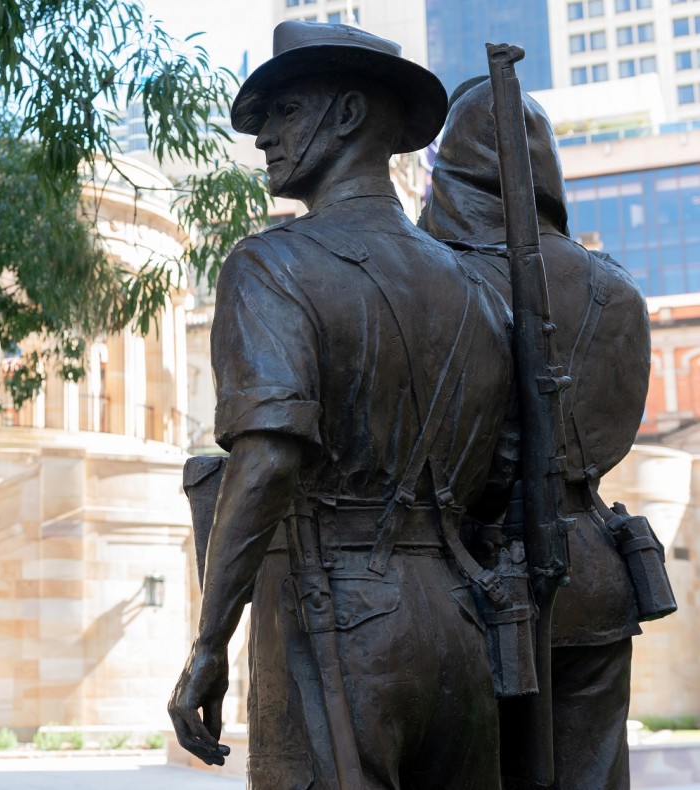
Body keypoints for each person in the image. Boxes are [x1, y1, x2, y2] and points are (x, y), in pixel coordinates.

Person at [168, 22, 516, 789]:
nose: (264, 137)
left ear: (351, 115)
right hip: (465, 629)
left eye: (285, 110)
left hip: (335, 620)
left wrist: (208, 644)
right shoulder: (484, 296)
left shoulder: (271, 264)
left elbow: (265, 461)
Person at [419, 79, 660, 790]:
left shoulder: (435, 277)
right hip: (592, 564)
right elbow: (612, 431)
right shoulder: (616, 289)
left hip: (469, 571)